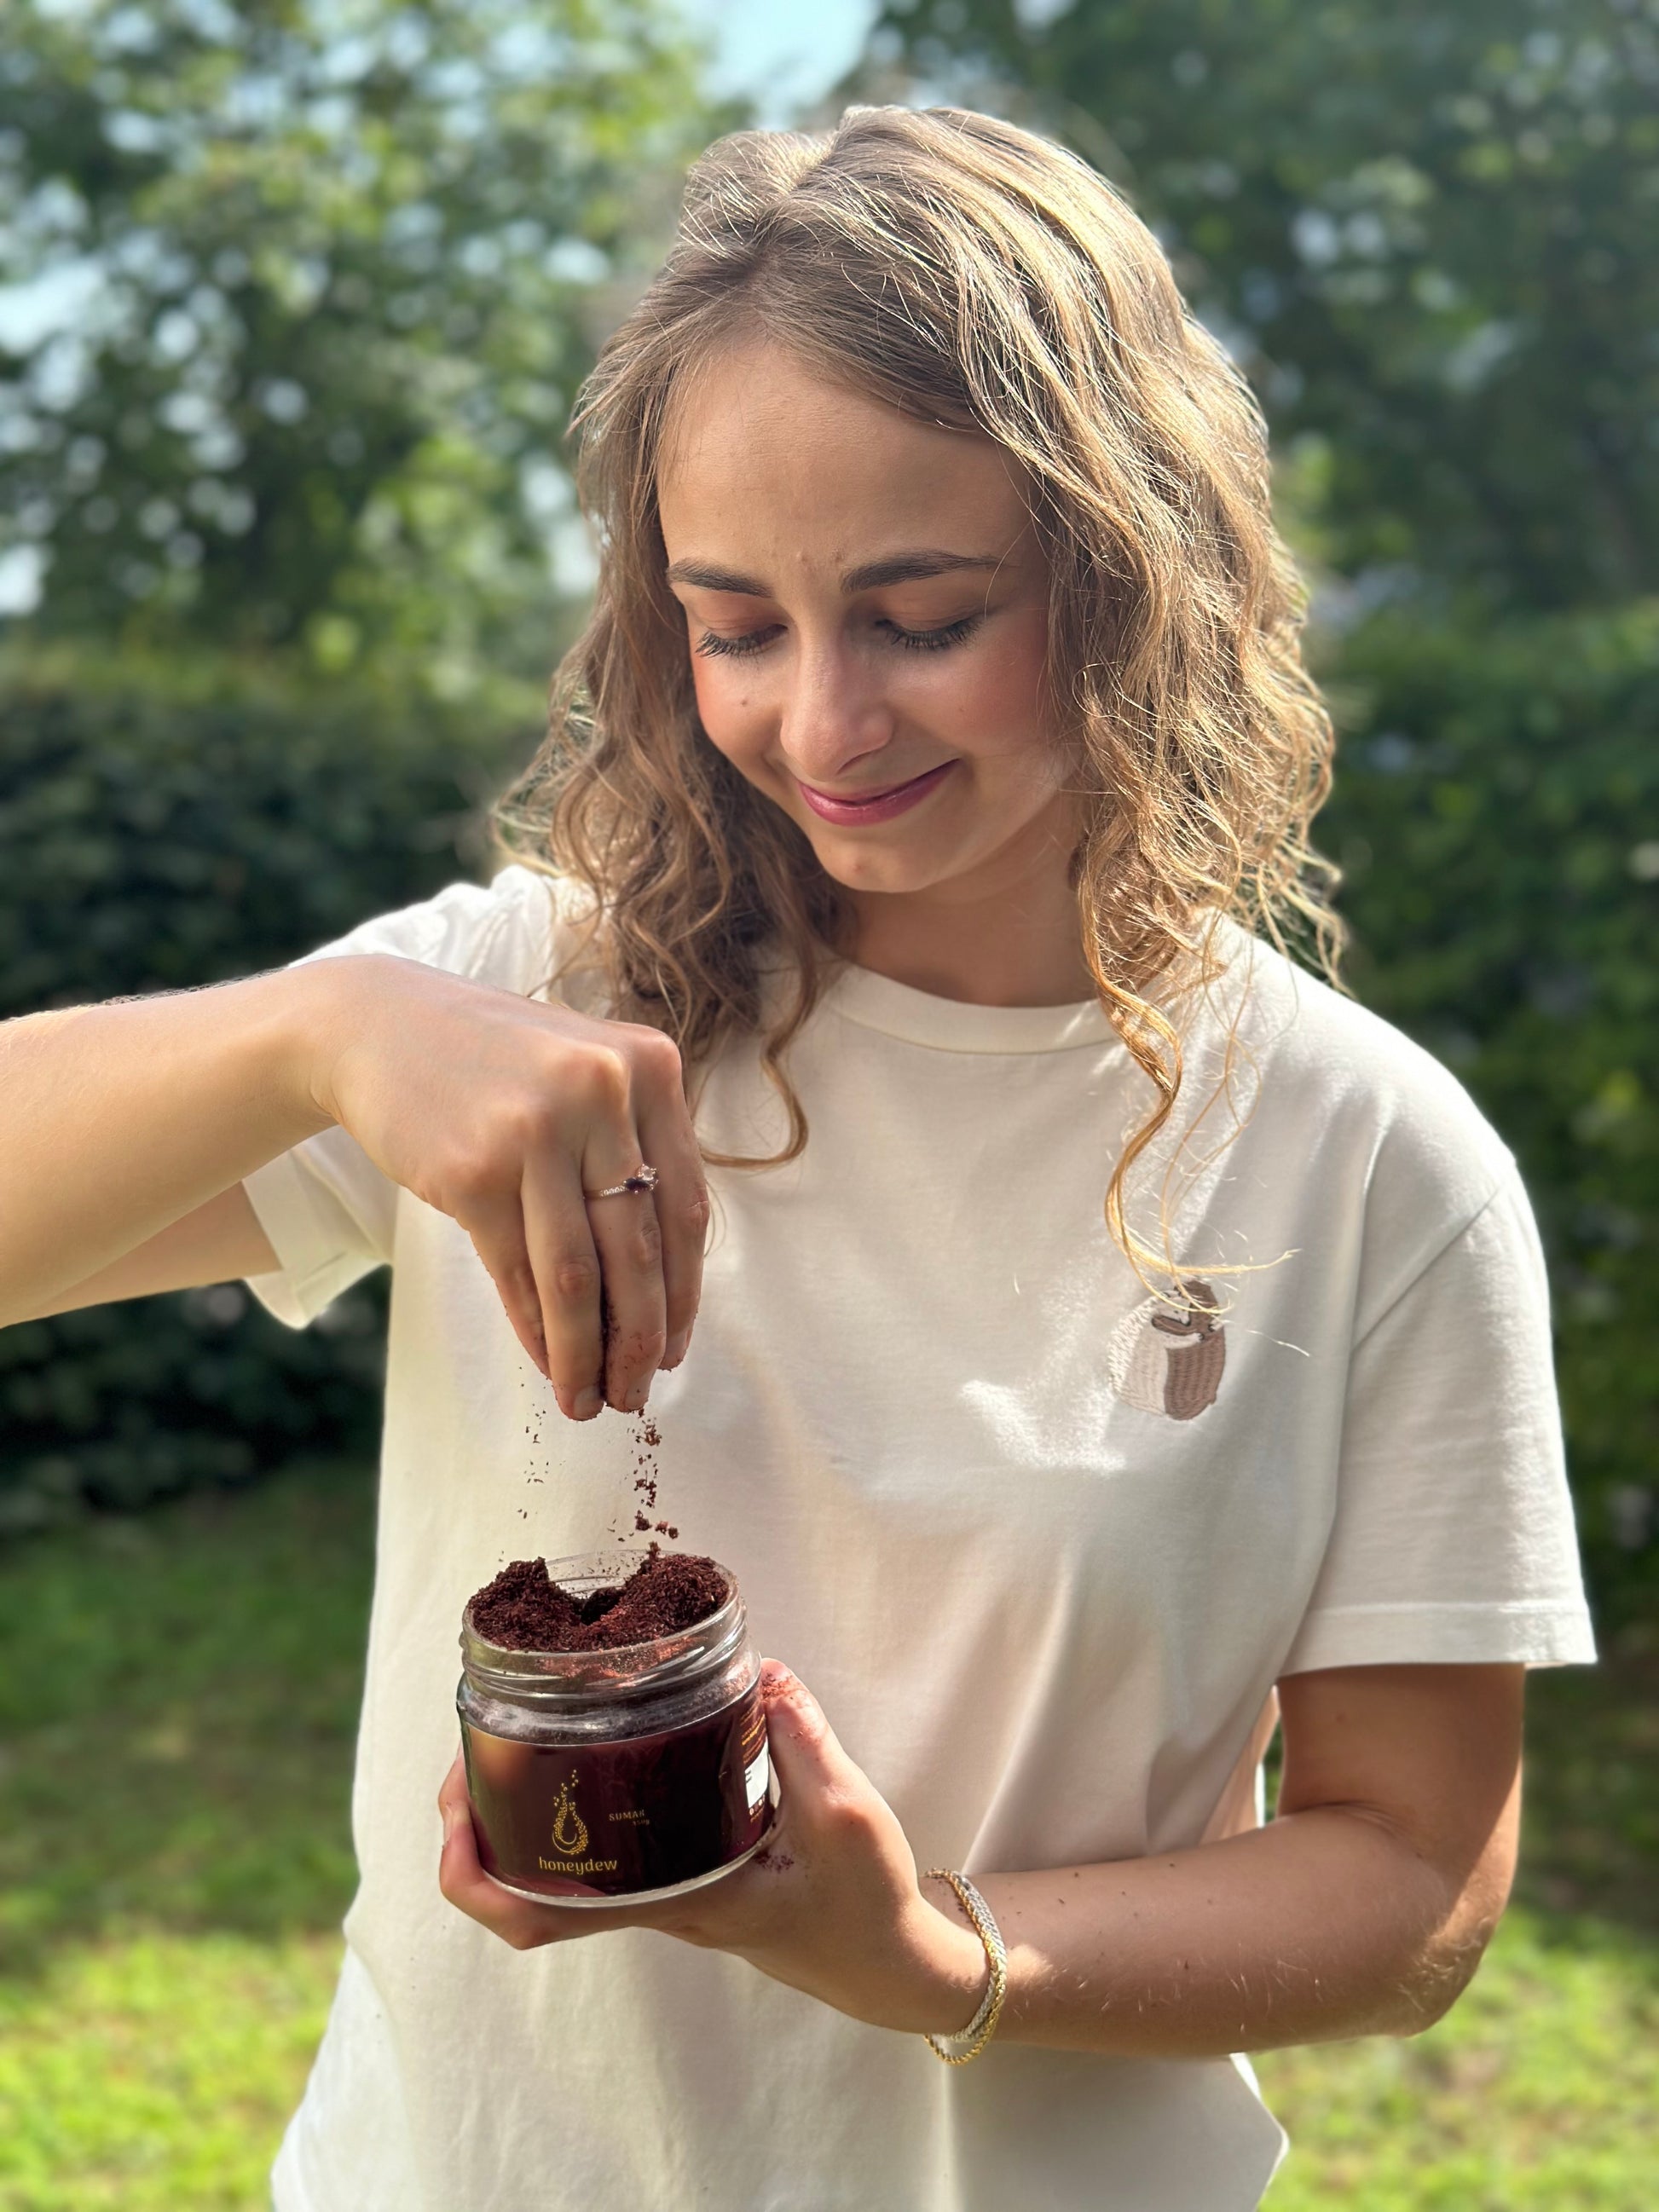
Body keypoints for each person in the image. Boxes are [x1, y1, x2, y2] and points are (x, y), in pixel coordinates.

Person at [0, 107, 1595, 2212]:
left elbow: (1410, 1876)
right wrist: (321, 1031)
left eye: (921, 616)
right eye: (736, 624)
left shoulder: (1360, 1154)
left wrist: (932, 1950)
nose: (824, 725)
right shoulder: (524, 1000)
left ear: (1134, 572)